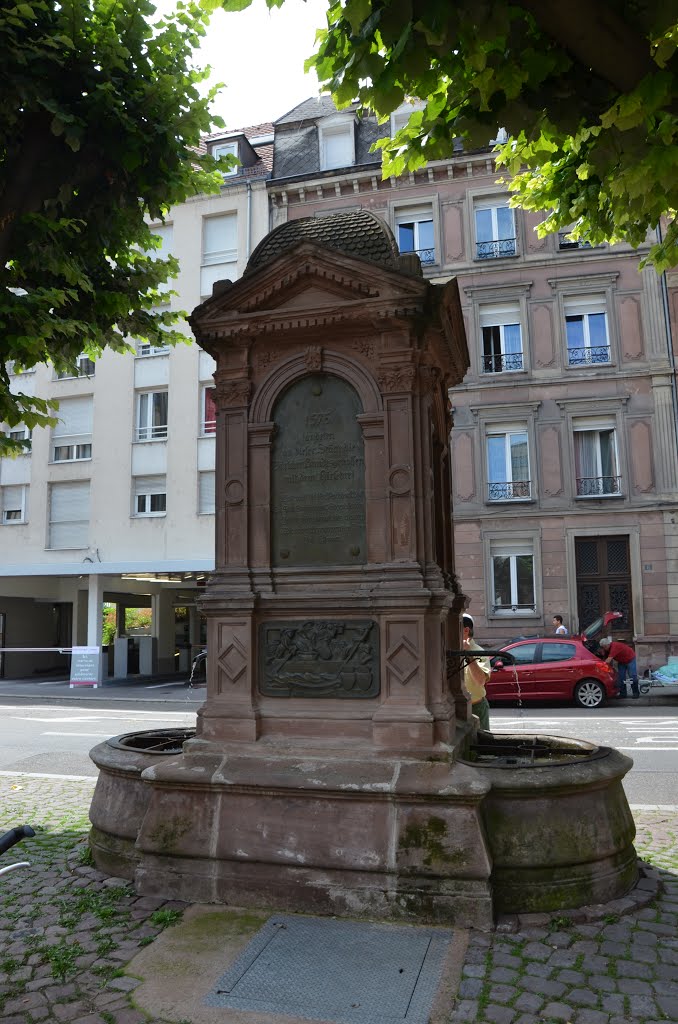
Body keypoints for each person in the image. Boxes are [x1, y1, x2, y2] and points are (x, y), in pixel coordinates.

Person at [462, 614, 491, 730]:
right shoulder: (448, 650)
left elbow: (480, 681)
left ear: (466, 630)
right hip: (454, 708)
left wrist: (468, 654)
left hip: (476, 707)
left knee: (481, 745)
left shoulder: (479, 652)